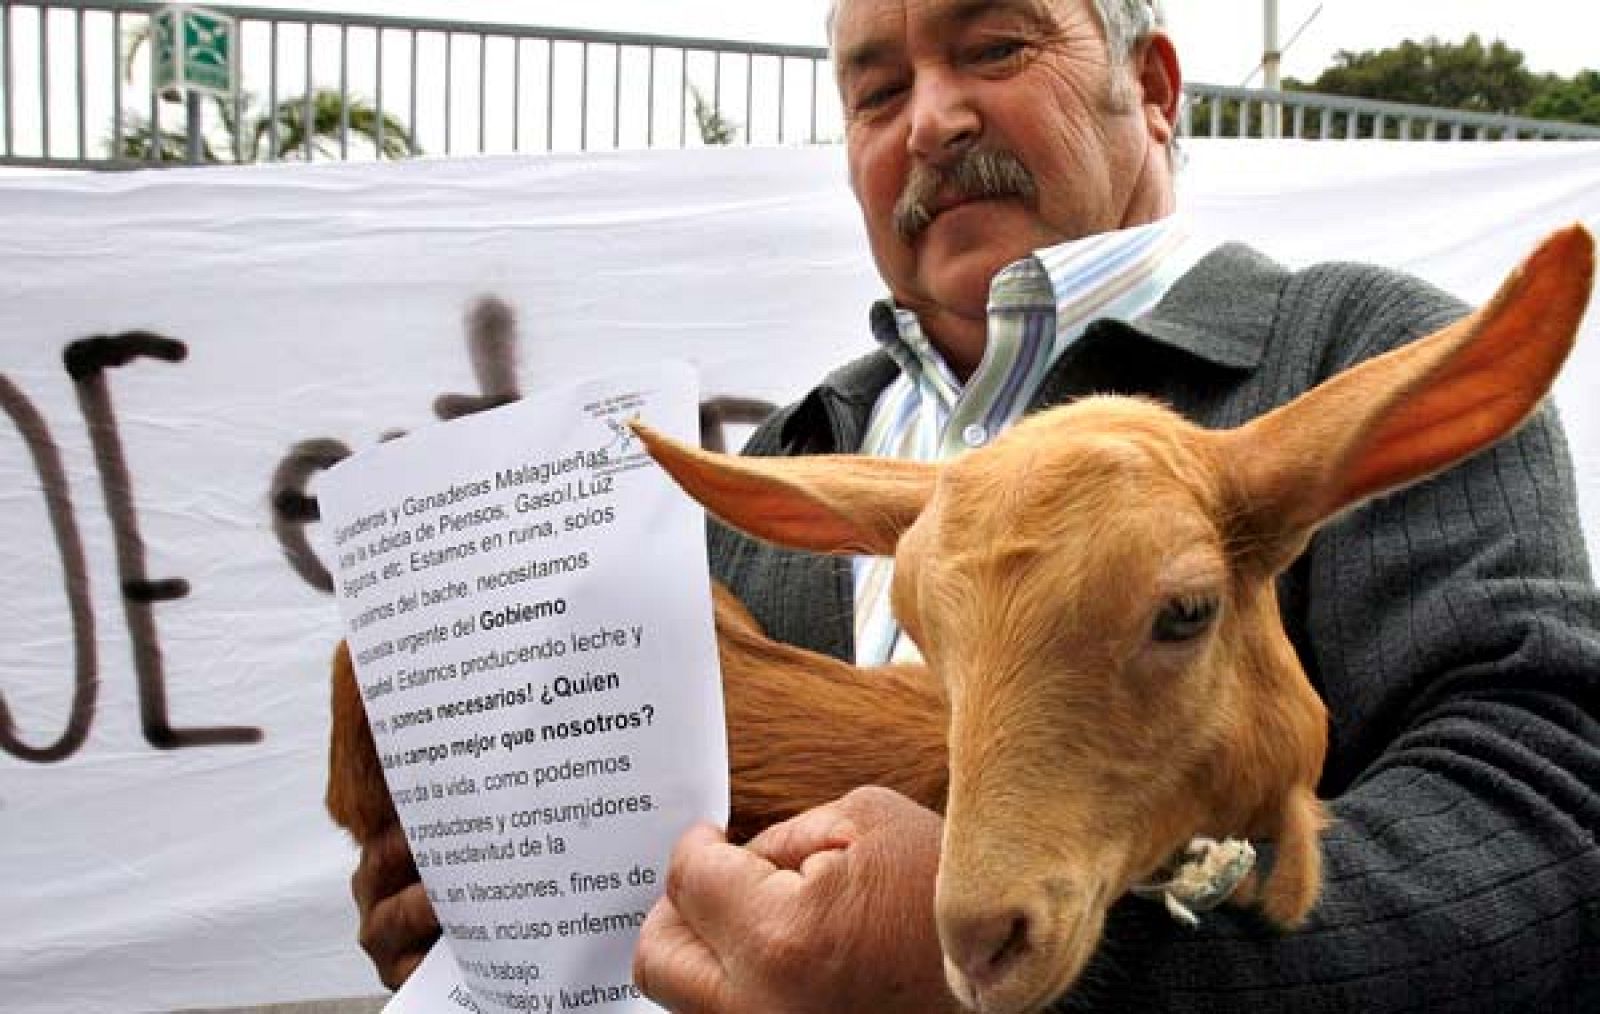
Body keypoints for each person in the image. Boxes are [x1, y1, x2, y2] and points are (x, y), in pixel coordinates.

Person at [353, 0, 1600, 1009]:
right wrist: (504, 923)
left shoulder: (1348, 348)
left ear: (1155, 89)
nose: (936, 120)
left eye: (995, 46)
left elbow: (1549, 810)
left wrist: (1072, 969)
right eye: (877, 91)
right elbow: (683, 863)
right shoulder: (791, 450)